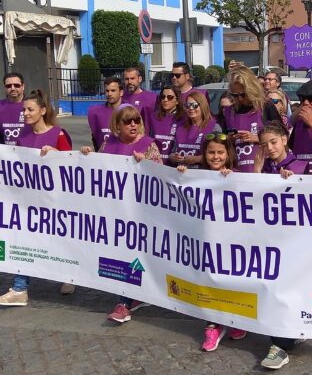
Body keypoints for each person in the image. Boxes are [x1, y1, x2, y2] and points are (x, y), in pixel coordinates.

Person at [81, 104, 161, 323]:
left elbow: (160, 177)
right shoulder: (109, 144)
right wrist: (87, 156)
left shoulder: (148, 145)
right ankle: (130, 297)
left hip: (139, 213)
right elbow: (97, 170)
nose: (133, 124)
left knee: (133, 255)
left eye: (136, 120)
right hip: (115, 212)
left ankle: (125, 302)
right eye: (127, 121)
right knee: (120, 255)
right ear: (117, 125)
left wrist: (145, 164)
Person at [0, 90, 74, 306]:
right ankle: (20, 287)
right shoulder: (23, 137)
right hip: (28, 202)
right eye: (24, 110)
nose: (25, 113)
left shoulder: (59, 134)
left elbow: (72, 168)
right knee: (23, 238)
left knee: (58, 239)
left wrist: (56, 155)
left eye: (30, 109)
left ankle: (68, 274)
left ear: (42, 111)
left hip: (54, 201)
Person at [176, 132, 247, 350]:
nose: (216, 157)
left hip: (230, 240)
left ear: (228, 154)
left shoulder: (235, 175)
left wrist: (231, 179)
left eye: (220, 153)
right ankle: (212, 326)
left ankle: (234, 320)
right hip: (205, 240)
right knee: (208, 280)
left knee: (230, 280)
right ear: (204, 155)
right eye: (211, 153)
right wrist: (181, 176)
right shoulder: (197, 176)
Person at [253, 121, 309, 369]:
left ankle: (280, 345)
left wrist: (294, 182)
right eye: (264, 145)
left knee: (286, 288)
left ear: (285, 140)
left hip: (292, 240)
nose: (270, 148)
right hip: (268, 239)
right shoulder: (263, 166)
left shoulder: (300, 166)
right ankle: (287, 333)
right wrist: (256, 171)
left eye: (273, 142)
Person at [223, 67, 282, 172]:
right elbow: (220, 142)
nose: (240, 98)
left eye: (243, 94)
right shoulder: (229, 112)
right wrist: (228, 139)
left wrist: (257, 138)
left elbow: (282, 138)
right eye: (235, 95)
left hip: (266, 170)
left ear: (252, 89)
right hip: (237, 172)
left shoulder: (266, 107)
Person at [169, 92, 220, 168]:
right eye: (187, 105)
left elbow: (218, 156)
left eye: (194, 105)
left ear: (202, 106)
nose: (191, 108)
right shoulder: (181, 127)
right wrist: (173, 157)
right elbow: (172, 153)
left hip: (202, 172)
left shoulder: (214, 127)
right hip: (181, 172)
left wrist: (196, 159)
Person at [145, 85, 182, 164]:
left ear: (177, 101)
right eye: (163, 97)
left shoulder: (183, 118)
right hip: (155, 164)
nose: (165, 100)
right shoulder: (153, 117)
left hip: (173, 166)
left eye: (170, 97)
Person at [87, 77, 123, 151]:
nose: (109, 94)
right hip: (103, 156)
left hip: (124, 156)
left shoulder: (129, 111)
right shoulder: (95, 112)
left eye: (113, 91)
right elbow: (95, 139)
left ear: (121, 92)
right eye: (107, 91)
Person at [0, 72, 26, 145]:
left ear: (23, 86)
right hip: (4, 151)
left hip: (28, 150)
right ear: (5, 88)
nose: (13, 88)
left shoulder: (33, 105)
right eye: (8, 86)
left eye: (16, 85)